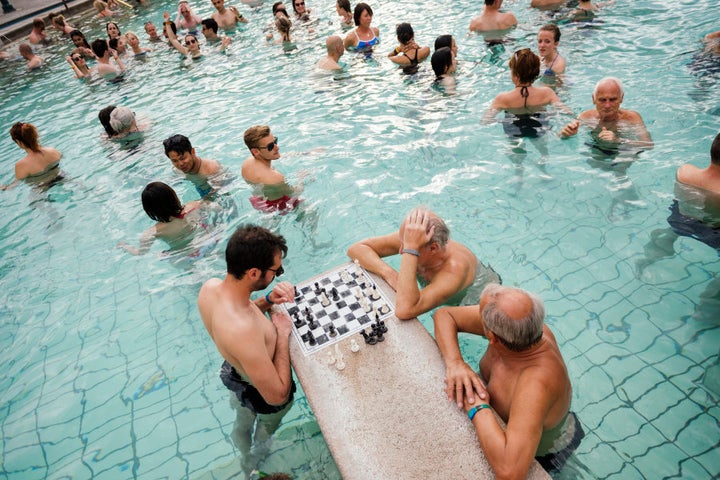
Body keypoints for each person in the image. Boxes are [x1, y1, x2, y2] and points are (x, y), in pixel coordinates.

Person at [433, 283, 584, 475]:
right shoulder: (520, 330)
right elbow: (445, 315)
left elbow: (510, 472)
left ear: (491, 337)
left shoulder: (535, 384)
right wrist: (455, 363)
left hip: (550, 451)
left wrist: (477, 407)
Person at [197, 225, 296, 472]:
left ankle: (243, 452)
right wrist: (282, 334)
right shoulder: (242, 330)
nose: (277, 275)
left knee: (242, 424)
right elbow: (277, 395)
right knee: (264, 435)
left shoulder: (210, 290)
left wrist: (267, 300)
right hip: (262, 395)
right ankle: (253, 464)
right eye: (276, 270)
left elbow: (245, 312)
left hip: (235, 377)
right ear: (253, 273)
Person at [347, 207, 492, 320]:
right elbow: (356, 249)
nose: (401, 250)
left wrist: (411, 249)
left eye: (408, 247)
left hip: (475, 299)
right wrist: (389, 273)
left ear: (433, 248)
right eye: (403, 241)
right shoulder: (413, 241)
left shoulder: (454, 270)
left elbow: (405, 310)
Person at [482, 48, 570, 138]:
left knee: (515, 148)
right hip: (539, 123)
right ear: (536, 73)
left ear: (514, 74)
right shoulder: (546, 93)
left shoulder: (503, 98)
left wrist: (499, 121)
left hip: (513, 127)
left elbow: (485, 121)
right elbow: (565, 111)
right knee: (542, 146)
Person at [560, 77, 653, 150]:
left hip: (623, 151)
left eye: (612, 99)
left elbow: (648, 145)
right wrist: (566, 134)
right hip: (595, 148)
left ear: (621, 98)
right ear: (593, 99)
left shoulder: (632, 118)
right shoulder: (586, 117)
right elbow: (561, 137)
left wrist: (617, 140)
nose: (607, 105)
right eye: (602, 100)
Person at [118, 182, 209, 255]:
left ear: (149, 210)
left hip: (185, 255)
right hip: (207, 242)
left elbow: (140, 253)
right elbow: (214, 206)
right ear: (173, 195)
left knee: (161, 255)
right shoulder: (193, 206)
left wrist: (124, 246)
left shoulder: (153, 232)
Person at [241, 125, 301, 213]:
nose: (277, 147)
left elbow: (270, 156)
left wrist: (304, 154)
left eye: (275, 141)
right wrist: (301, 178)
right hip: (279, 206)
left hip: (259, 201)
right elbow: (294, 193)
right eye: (270, 146)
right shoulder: (275, 177)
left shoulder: (247, 163)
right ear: (255, 151)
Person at [1, 122, 62, 190]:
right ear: (35, 134)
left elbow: (13, 186)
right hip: (60, 176)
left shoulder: (21, 165)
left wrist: (4, 187)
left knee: (35, 199)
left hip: (41, 187)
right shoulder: (53, 151)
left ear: (18, 142)